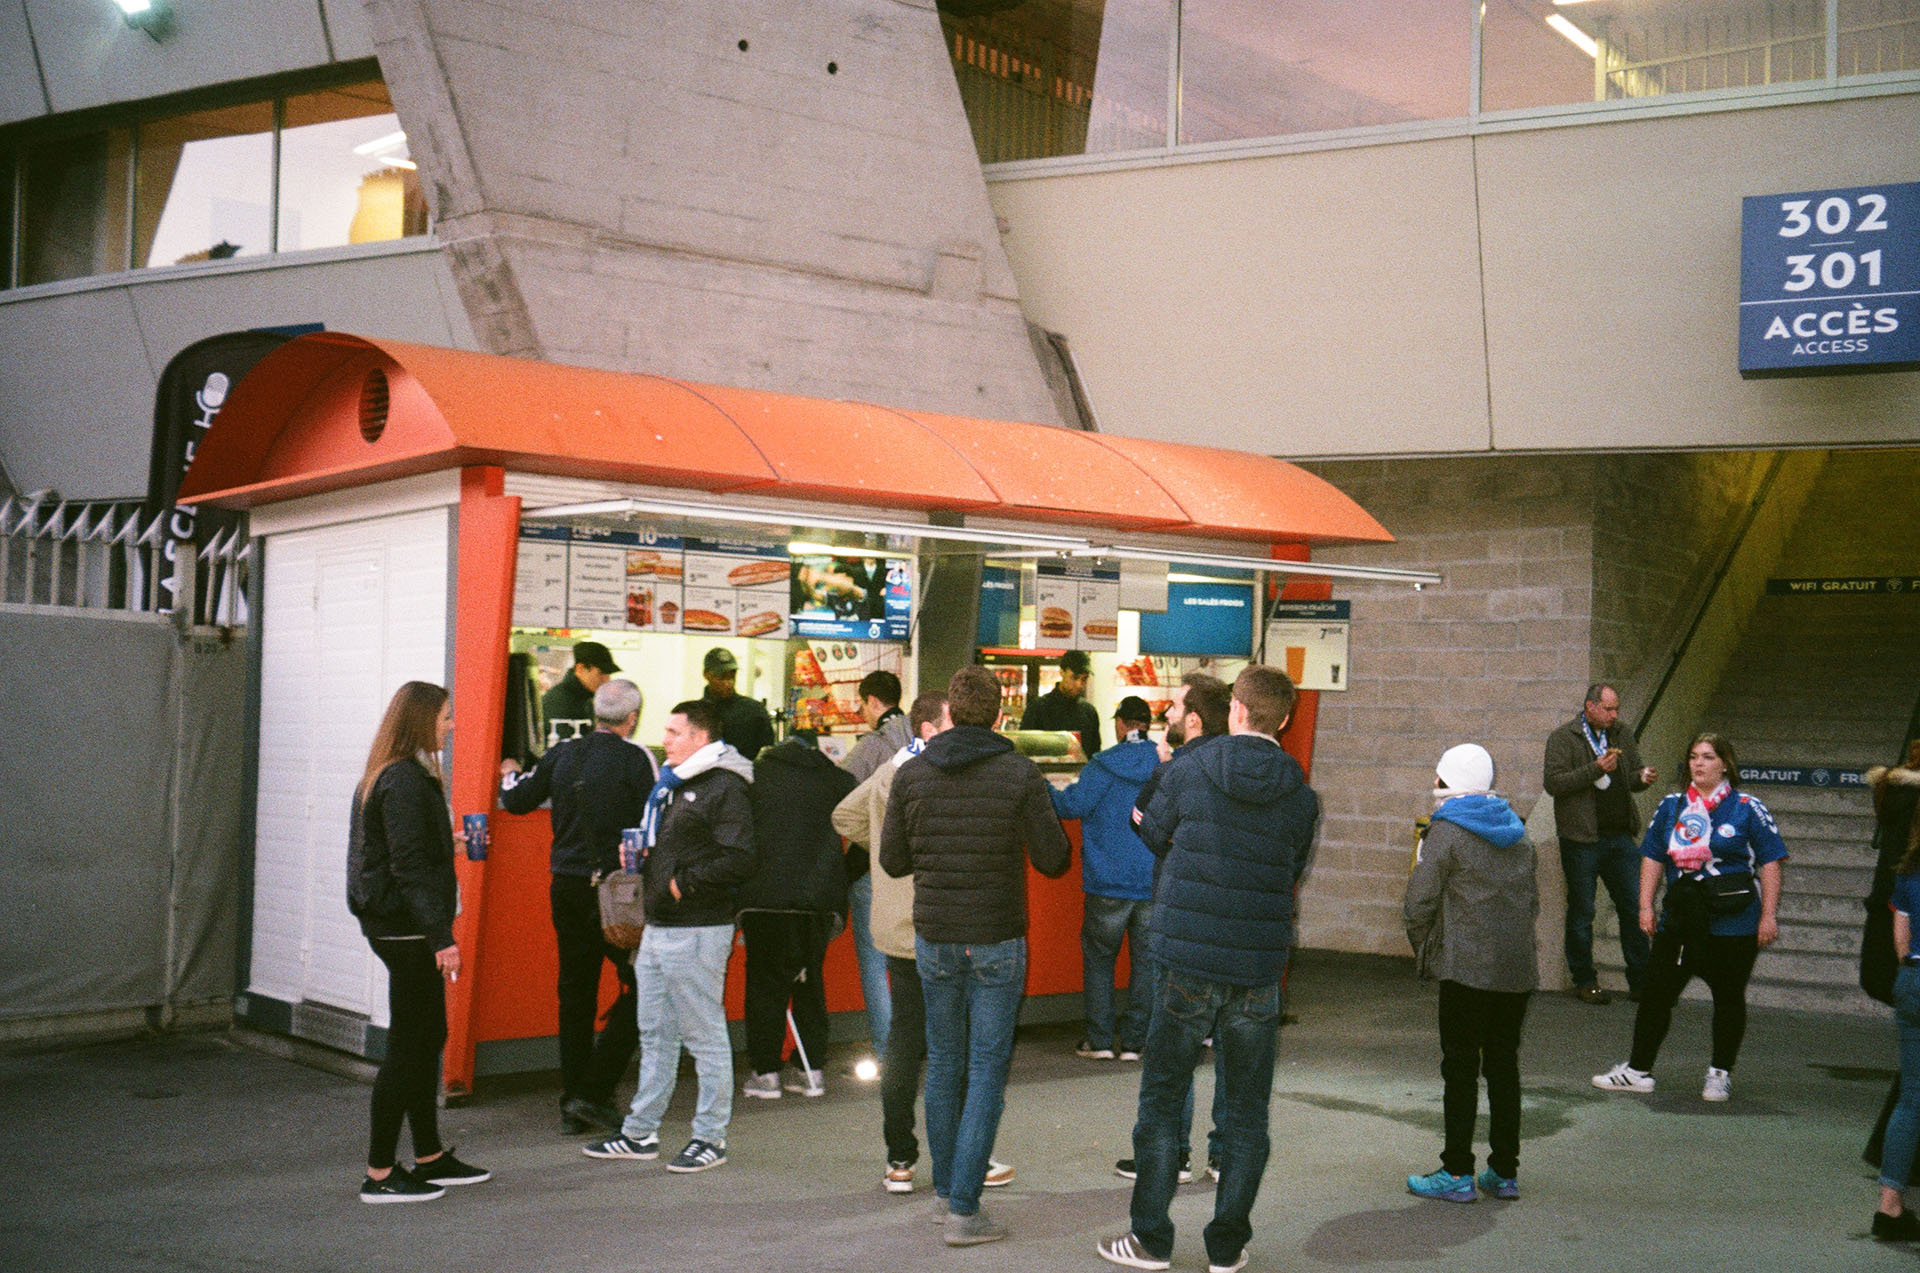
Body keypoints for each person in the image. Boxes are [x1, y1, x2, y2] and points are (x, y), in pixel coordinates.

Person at [1100, 666, 1317, 1273]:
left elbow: (1154, 831)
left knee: (1163, 1098)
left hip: (1185, 957)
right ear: (1285, 720)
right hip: (1257, 967)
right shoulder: (1301, 794)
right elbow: (1291, 866)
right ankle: (1226, 1247)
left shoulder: (1190, 769)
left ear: (1238, 711)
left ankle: (1150, 1239)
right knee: (1247, 1111)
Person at [879, 665, 1071, 1246]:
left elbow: (892, 861)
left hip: (934, 935)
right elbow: (1054, 859)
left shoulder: (911, 774)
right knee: (987, 1067)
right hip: (996, 937)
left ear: (949, 711)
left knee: (943, 1061)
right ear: (998, 714)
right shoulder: (1019, 773)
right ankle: (965, 1206)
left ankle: (946, 1196)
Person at [835, 691, 1018, 1197]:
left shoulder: (890, 771)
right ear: (932, 728)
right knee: (950, 1048)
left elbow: (843, 818)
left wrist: (883, 849)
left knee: (902, 1042)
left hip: (894, 924)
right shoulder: (936, 774)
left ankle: (899, 1158)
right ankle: (965, 1158)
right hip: (940, 922)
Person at [585, 699, 756, 1173]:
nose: (665, 739)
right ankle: (640, 1133)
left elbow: (740, 857)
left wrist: (685, 882)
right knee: (655, 1035)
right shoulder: (674, 785)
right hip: (660, 928)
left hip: (698, 927)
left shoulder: (724, 786)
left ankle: (711, 1138)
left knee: (705, 1037)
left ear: (701, 738)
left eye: (674, 732)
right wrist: (642, 858)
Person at [346, 680, 491, 1203]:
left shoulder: (391, 774)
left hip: (399, 924)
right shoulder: (405, 780)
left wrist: (446, 841)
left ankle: (428, 1157)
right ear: (421, 720)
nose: (452, 725)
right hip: (408, 929)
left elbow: (397, 849)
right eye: (447, 716)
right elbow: (406, 867)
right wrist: (440, 937)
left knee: (428, 1036)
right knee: (411, 1046)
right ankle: (380, 1174)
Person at [499, 678, 658, 1135]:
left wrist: (509, 770)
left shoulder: (563, 753)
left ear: (594, 715)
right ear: (632, 719)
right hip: (618, 894)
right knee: (644, 984)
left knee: (576, 993)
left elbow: (516, 800)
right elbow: (652, 822)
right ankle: (594, 1089)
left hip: (567, 886)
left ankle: (574, 1100)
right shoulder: (638, 758)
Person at [1593, 733, 1787, 1103]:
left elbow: (1771, 861)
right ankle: (1638, 1070)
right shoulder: (1672, 805)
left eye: (1708, 757)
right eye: (1694, 757)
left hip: (1733, 922)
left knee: (1728, 997)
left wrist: (1768, 916)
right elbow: (1652, 856)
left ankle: (1719, 1073)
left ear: (1725, 764)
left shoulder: (1747, 806)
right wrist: (1646, 906)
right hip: (1681, 920)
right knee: (1656, 994)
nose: (1699, 764)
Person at [1403, 744, 1538, 1204]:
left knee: (1459, 1067)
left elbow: (1418, 902)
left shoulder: (1445, 832)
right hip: (1515, 969)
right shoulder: (1518, 832)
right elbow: (1530, 903)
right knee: (1503, 1066)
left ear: (1446, 782)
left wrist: (1426, 950)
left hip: (1465, 969)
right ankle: (1503, 1172)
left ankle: (1457, 1170)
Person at [1114, 672, 1232, 1185]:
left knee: (1172, 1047)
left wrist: (1161, 766)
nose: (1163, 716)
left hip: (1182, 925)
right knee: (1234, 1048)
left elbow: (1143, 825)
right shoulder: (1256, 769)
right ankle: (1227, 1154)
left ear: (1194, 719)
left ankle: (1171, 1156)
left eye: (1174, 708)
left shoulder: (1178, 770)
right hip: (1240, 933)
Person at [736, 730, 856, 1100]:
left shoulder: (754, 775)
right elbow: (866, 829)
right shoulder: (838, 779)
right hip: (816, 900)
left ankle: (766, 1072)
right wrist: (840, 874)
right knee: (808, 983)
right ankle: (810, 1070)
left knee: (764, 986)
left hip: (763, 898)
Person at [1053, 695, 1161, 1061]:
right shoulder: (1167, 764)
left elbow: (1072, 806)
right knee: (1146, 963)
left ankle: (1099, 1041)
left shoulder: (1102, 765)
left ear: (1120, 724)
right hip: (1152, 882)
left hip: (1107, 882)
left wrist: (1046, 789)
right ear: (1147, 725)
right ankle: (1135, 1043)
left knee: (1100, 960)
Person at [1542, 684, 1658, 1005]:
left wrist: (1641, 777)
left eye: (1616, 709)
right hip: (1582, 840)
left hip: (1620, 837)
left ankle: (1641, 980)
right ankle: (1585, 980)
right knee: (1583, 912)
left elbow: (1632, 775)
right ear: (1590, 707)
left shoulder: (1621, 733)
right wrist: (1594, 769)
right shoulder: (1564, 738)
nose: (1614, 715)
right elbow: (1554, 783)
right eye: (1608, 709)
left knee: (1635, 907)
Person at [837, 670, 912, 1058]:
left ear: (872, 701)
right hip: (919, 867)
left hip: (875, 869)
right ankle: (918, 1044)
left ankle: (887, 1052)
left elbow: (837, 792)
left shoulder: (872, 746)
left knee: (874, 961)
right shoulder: (923, 735)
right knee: (915, 961)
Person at [1872, 746, 1920, 1242]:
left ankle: (1889, 1206)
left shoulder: (1909, 870)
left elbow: (1901, 942)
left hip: (1913, 981)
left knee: (1912, 1100)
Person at [1020, 649, 1101, 756]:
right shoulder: (1038, 707)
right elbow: (1024, 748)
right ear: (1062, 672)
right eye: (1074, 677)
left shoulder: (1089, 712)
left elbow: (1094, 753)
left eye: (1084, 679)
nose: (1079, 684)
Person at [701, 646, 776, 761]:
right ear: (706, 675)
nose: (728, 683)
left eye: (731, 676)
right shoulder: (695, 713)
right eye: (721, 678)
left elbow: (768, 755)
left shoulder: (753, 710)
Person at [541, 641, 620, 735]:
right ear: (580, 669)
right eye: (601, 673)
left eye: (608, 674)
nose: (606, 680)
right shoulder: (559, 702)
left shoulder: (586, 698)